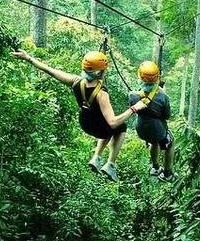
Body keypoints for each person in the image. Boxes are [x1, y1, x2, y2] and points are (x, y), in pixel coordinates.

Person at [11, 49, 148, 182]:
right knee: (120, 126)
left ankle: (96, 158)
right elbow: (112, 123)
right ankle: (110, 164)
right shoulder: (101, 93)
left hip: (85, 124)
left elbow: (50, 71)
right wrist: (134, 108)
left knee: (108, 124)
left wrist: (28, 58)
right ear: (100, 73)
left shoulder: (76, 81)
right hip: (100, 127)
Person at [128, 61, 175, 182]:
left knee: (154, 142)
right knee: (170, 141)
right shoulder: (163, 97)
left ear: (139, 76)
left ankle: (155, 167)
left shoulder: (132, 95)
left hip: (141, 129)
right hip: (157, 130)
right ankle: (167, 173)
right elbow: (167, 116)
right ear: (157, 78)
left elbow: (137, 106)